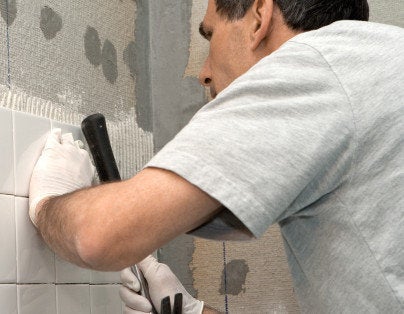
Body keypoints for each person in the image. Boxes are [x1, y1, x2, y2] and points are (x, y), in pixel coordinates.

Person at [29, 0, 404, 312]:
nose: (204, 74)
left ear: (260, 16)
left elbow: (98, 238)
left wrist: (48, 203)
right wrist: (192, 311)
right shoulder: (378, 60)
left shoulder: (314, 68)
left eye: (211, 35)